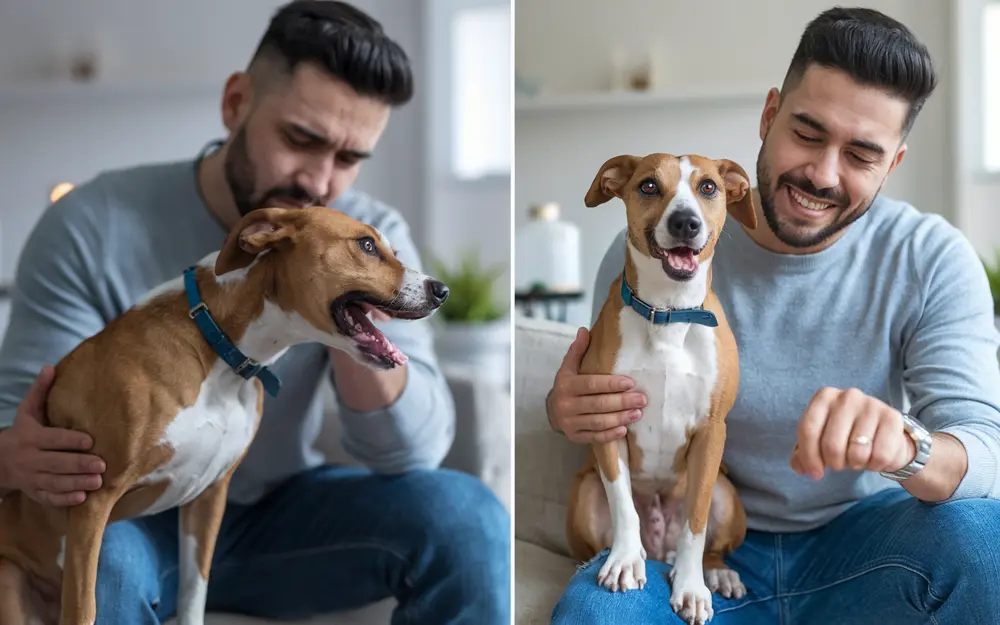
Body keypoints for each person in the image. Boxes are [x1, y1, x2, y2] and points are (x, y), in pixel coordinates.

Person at [0, 1, 509, 623]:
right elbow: (20, 420)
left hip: (286, 512)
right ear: (236, 103)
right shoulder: (88, 225)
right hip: (134, 517)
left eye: (349, 159)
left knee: (468, 517)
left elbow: (411, 455)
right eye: (301, 139)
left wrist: (354, 324)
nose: (320, 181)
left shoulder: (371, 237)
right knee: (109, 563)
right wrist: (14, 453)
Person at [545, 7, 1000, 624]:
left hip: (863, 539)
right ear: (768, 116)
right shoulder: (649, 250)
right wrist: (565, 410)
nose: (822, 173)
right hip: (694, 540)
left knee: (987, 543)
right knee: (596, 615)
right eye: (807, 133)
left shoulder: (931, 257)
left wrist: (908, 445)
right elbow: (597, 401)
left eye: (862, 155)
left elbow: (987, 450)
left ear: (892, 164)